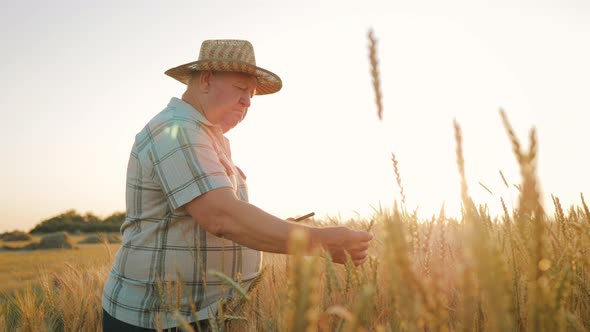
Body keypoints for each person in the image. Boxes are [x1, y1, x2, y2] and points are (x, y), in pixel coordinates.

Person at [101, 39, 373, 331]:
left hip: (196, 315)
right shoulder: (176, 130)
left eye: (252, 95)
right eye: (242, 89)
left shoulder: (206, 138)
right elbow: (220, 216)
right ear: (206, 79)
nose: (248, 102)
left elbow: (212, 216)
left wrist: (281, 226)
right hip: (157, 319)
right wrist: (322, 241)